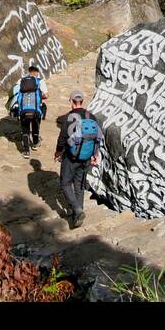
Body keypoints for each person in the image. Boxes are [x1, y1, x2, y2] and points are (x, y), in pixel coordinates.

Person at [54, 91, 103, 229]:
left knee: (65, 183)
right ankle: (77, 216)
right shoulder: (90, 116)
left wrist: (58, 152)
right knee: (79, 184)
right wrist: (95, 154)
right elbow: (97, 137)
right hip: (86, 157)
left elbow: (62, 138)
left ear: (71, 101)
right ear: (82, 101)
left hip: (71, 157)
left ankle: (77, 209)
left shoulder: (70, 117)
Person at [9, 64, 48, 152]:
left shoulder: (21, 81)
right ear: (37, 73)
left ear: (29, 72)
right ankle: (35, 144)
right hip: (36, 110)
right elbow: (46, 95)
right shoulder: (40, 81)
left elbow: (14, 93)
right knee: (35, 127)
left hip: (23, 110)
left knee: (25, 130)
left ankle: (26, 151)